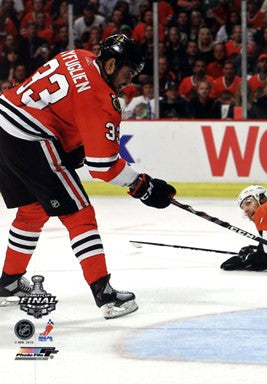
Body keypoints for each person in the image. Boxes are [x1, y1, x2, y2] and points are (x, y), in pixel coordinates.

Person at [0, 34, 176, 318]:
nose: (128, 82)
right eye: (127, 73)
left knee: (32, 212)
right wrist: (142, 186)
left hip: (3, 121)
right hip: (29, 136)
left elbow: (64, 106)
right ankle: (105, 294)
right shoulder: (103, 101)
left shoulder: (78, 55)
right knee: (80, 213)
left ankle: (8, 282)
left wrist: (71, 146)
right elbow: (102, 167)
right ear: (110, 65)